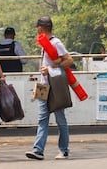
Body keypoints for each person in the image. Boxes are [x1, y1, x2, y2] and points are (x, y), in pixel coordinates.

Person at [29, 16, 74, 160]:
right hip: (43, 85)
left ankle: (64, 149)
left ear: (40, 28)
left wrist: (51, 68)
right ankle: (38, 150)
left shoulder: (56, 43)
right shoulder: (44, 43)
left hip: (55, 85)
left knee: (60, 118)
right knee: (42, 118)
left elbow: (69, 60)